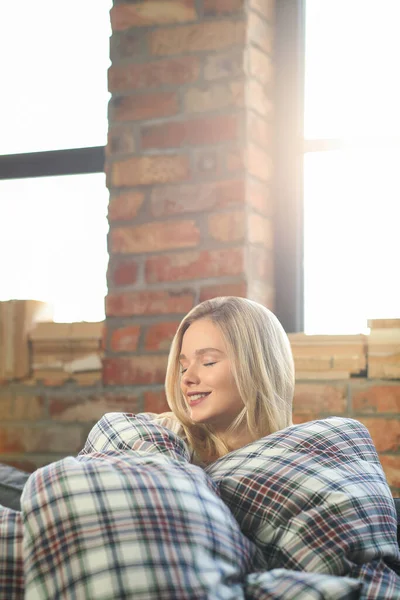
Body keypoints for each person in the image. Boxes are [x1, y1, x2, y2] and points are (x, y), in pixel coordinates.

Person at [157, 296, 295, 465]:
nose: (186, 377)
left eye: (208, 362)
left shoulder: (302, 453)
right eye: (184, 367)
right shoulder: (162, 435)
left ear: (256, 365)